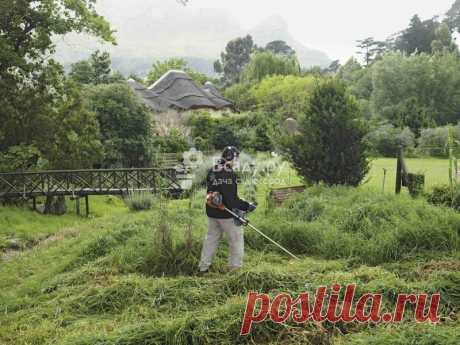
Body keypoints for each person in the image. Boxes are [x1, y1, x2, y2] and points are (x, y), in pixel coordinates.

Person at [198, 146, 256, 274]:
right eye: (237, 158)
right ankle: (234, 269)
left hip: (212, 211)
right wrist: (247, 206)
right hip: (226, 214)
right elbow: (232, 201)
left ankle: (203, 268)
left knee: (211, 240)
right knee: (236, 240)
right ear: (233, 157)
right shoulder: (228, 173)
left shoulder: (212, 170)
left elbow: (218, 191)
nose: (237, 161)